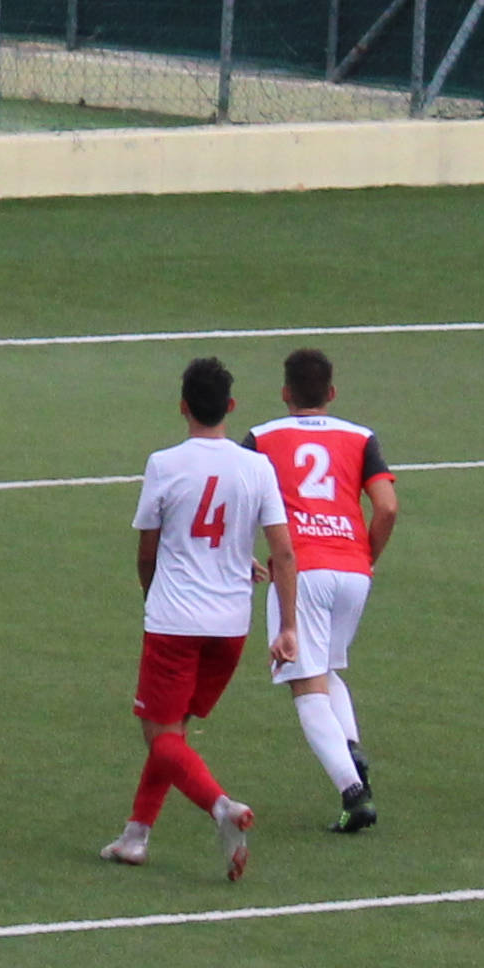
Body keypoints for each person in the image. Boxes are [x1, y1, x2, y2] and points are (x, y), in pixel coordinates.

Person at [102, 357, 300, 880]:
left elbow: (147, 551)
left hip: (175, 621)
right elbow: (283, 552)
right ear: (231, 407)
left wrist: (153, 597)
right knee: (174, 736)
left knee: (160, 737)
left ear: (183, 407)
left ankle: (222, 809)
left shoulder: (164, 464)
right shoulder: (256, 467)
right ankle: (135, 836)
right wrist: (288, 627)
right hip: (230, 626)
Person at [245, 347, 393, 835]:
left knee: (305, 685)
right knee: (326, 669)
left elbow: (235, 498)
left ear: (285, 393)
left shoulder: (263, 437)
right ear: (331, 393)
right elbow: (387, 508)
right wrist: (365, 556)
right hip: (354, 568)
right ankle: (350, 749)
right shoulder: (361, 436)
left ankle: (354, 793)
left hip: (300, 570)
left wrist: (236, 556)